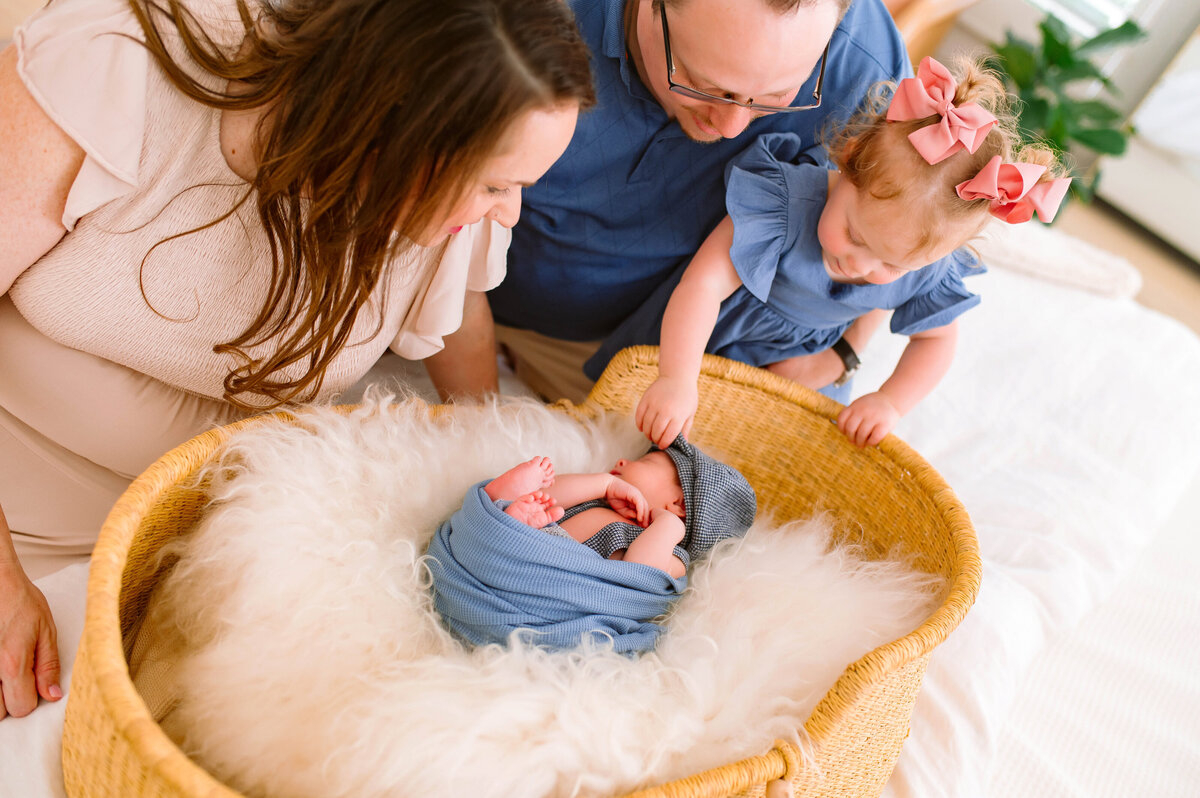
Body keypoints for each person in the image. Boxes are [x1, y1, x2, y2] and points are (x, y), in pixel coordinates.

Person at [0, 0, 595, 719]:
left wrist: (496, 463)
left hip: (215, 530)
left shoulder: (452, 204)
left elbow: (458, 315)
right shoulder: (116, 71)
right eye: (496, 185)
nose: (510, 215)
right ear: (390, 128)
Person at [446, 0, 916, 404]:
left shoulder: (865, 72)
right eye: (703, 84)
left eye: (776, 97)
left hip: (654, 352)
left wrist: (845, 353)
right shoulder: (522, 17)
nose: (733, 127)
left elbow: (908, 235)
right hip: (462, 290)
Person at [626, 57, 1069, 449]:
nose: (860, 265)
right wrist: (677, 379)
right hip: (713, 342)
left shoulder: (925, 265)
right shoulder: (781, 204)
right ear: (849, 159)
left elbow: (936, 341)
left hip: (811, 367)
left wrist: (890, 402)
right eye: (855, 235)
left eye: (891, 265)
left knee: (789, 457)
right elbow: (702, 286)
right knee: (661, 431)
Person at [426, 439, 757, 653]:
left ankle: (512, 520)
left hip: (551, 589)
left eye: (647, 461)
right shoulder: (602, 499)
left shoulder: (673, 553)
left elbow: (639, 573)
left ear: (679, 505)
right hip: (529, 541)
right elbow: (554, 497)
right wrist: (605, 483)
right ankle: (507, 506)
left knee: (531, 517)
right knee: (541, 504)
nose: (623, 462)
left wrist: (667, 526)